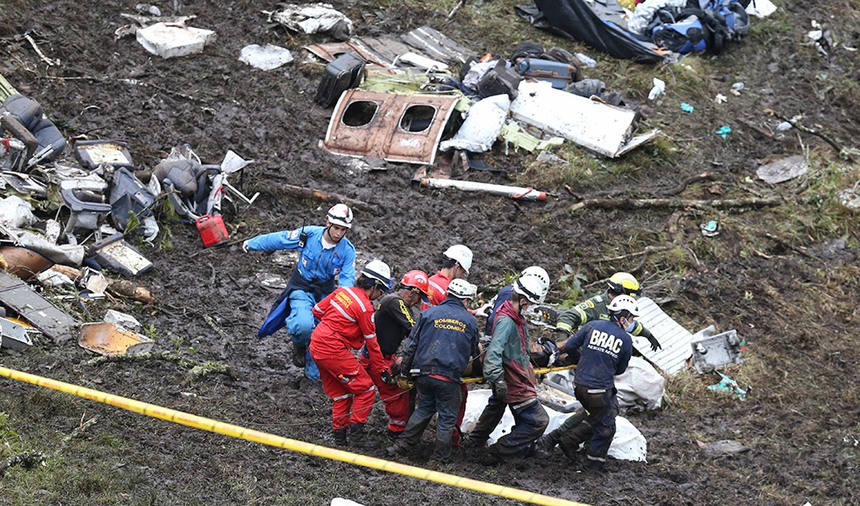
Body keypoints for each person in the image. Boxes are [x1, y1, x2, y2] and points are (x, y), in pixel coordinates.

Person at [535, 272, 660, 451]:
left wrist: (648, 335)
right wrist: (563, 344)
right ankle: (560, 440)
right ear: (623, 292)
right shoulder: (596, 306)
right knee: (601, 409)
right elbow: (567, 317)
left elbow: (630, 324)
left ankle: (565, 441)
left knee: (596, 409)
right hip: (585, 360)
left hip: (596, 363)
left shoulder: (619, 309)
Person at [243, 204, 356, 380]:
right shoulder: (309, 234)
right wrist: (252, 244)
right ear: (328, 222)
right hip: (301, 287)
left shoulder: (347, 251)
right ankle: (299, 346)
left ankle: (311, 377)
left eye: (343, 230)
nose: (338, 234)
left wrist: (344, 304)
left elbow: (347, 280)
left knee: (324, 337)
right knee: (303, 325)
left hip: (325, 294)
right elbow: (280, 239)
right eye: (336, 228)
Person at [386, 279, 480, 462]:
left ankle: (401, 447)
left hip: (423, 374)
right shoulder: (471, 321)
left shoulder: (428, 314)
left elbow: (410, 345)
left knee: (423, 409)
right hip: (448, 376)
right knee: (446, 417)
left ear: (448, 294)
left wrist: (405, 372)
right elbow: (472, 350)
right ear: (466, 300)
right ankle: (440, 458)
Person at [308, 259, 392, 449]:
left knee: (340, 394)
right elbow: (372, 343)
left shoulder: (342, 291)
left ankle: (340, 438)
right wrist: (381, 370)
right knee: (366, 389)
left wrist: (337, 325)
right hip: (333, 350)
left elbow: (318, 310)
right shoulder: (365, 308)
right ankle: (357, 436)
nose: (380, 295)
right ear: (375, 286)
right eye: (381, 291)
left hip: (317, 344)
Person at [465, 276, 550, 458]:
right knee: (538, 421)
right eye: (531, 305)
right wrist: (498, 379)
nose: (531, 309)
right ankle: (497, 452)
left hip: (516, 373)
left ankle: (476, 443)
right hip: (513, 379)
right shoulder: (507, 322)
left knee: (497, 407)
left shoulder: (516, 317)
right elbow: (494, 352)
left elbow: (519, 348)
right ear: (522, 301)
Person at [554, 295, 637, 472]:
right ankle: (593, 465)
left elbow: (569, 346)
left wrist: (584, 358)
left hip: (579, 386)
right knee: (606, 427)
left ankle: (570, 439)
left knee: (608, 411)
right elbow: (620, 370)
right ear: (622, 318)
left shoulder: (592, 326)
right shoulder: (626, 340)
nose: (632, 322)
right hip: (599, 391)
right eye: (631, 318)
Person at [358, 270, 430, 439]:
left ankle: (356, 429)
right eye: (419, 298)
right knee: (395, 394)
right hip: (376, 358)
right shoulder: (394, 302)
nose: (418, 303)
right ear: (413, 293)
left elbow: (409, 335)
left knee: (366, 392)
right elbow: (414, 330)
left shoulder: (398, 304)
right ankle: (395, 434)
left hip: (379, 355)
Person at [423, 244, 473, 309]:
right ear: (457, 267)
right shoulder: (448, 290)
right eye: (462, 272)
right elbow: (455, 311)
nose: (460, 276)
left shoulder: (430, 280)